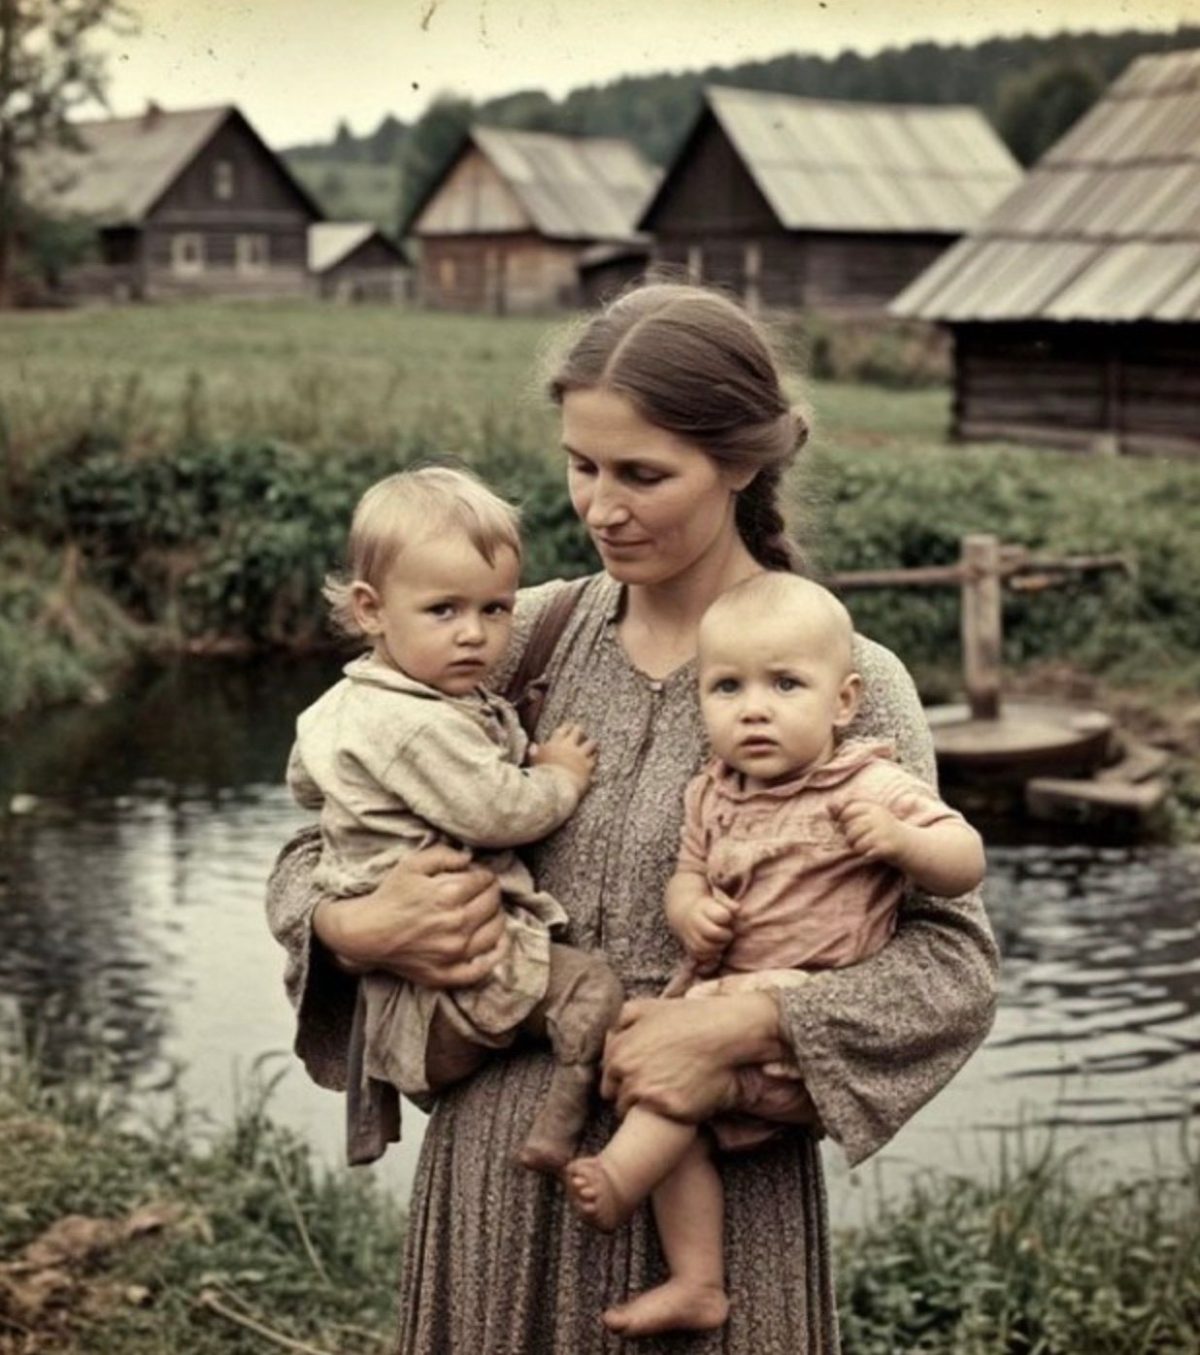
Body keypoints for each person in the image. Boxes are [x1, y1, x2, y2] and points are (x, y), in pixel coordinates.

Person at [266, 282, 998, 1353]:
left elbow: (953, 965)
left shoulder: (842, 679)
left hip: (719, 1214)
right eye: (582, 465)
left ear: (741, 464)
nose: (601, 506)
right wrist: (348, 927)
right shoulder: (516, 640)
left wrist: (749, 1023)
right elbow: (313, 837)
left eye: (642, 474)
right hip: (496, 1192)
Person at [563, 571, 986, 1336]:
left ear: (845, 702)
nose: (754, 707)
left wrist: (904, 842)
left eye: (785, 684)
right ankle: (696, 1275)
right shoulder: (714, 792)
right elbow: (686, 874)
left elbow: (966, 859)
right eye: (726, 688)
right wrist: (691, 910)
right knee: (666, 1088)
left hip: (796, 999)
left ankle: (621, 1174)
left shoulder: (868, 780)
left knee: (675, 1080)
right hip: (716, 988)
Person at [285, 466, 623, 1171]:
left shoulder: (350, 703)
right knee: (593, 991)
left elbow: (307, 785)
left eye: (496, 609)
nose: (476, 635)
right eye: (445, 611)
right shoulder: (419, 721)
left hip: (423, 974)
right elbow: (498, 809)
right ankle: (561, 1122)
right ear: (371, 608)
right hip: (463, 965)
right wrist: (558, 776)